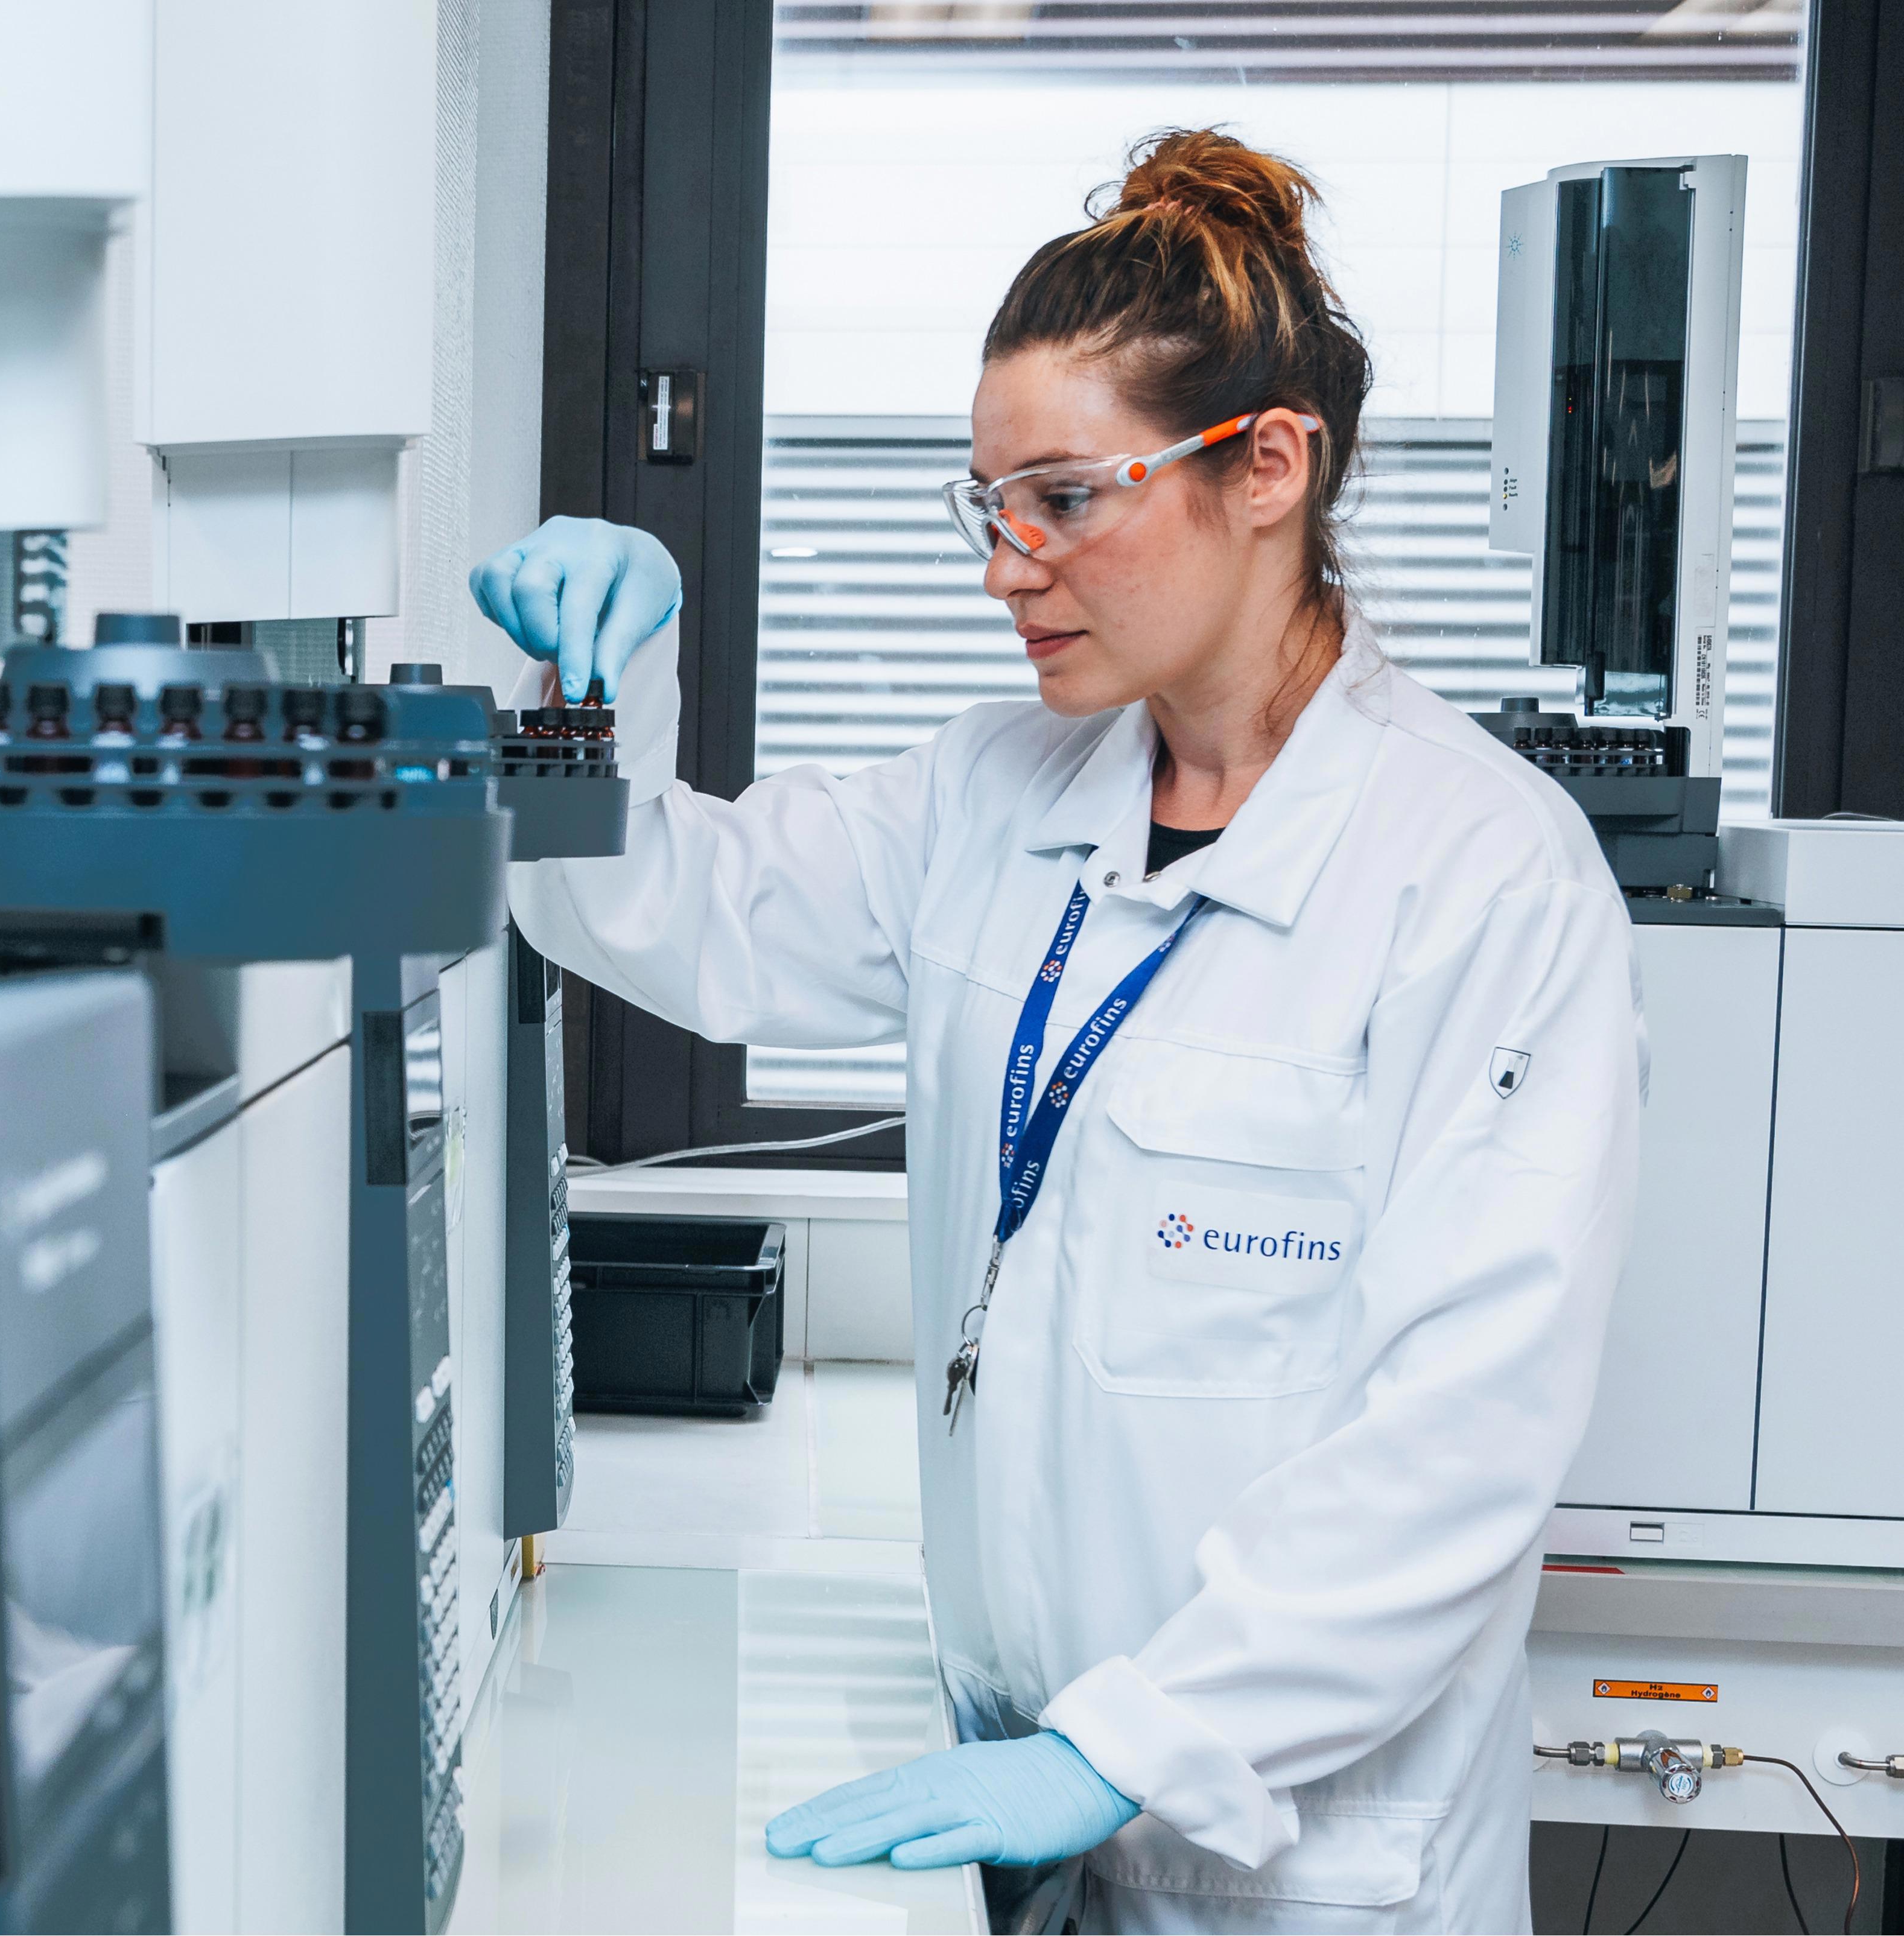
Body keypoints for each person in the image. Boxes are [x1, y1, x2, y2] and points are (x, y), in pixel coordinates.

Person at [472, 129, 1639, 1933]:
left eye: (1068, 498)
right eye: (985, 502)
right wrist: (589, 704)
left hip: (1301, 1855)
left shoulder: (1481, 880)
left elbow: (1460, 1444)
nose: (1009, 562)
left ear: (1267, 468)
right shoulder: (997, 797)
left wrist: (1130, 1745)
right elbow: (672, 914)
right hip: (1017, 1802)